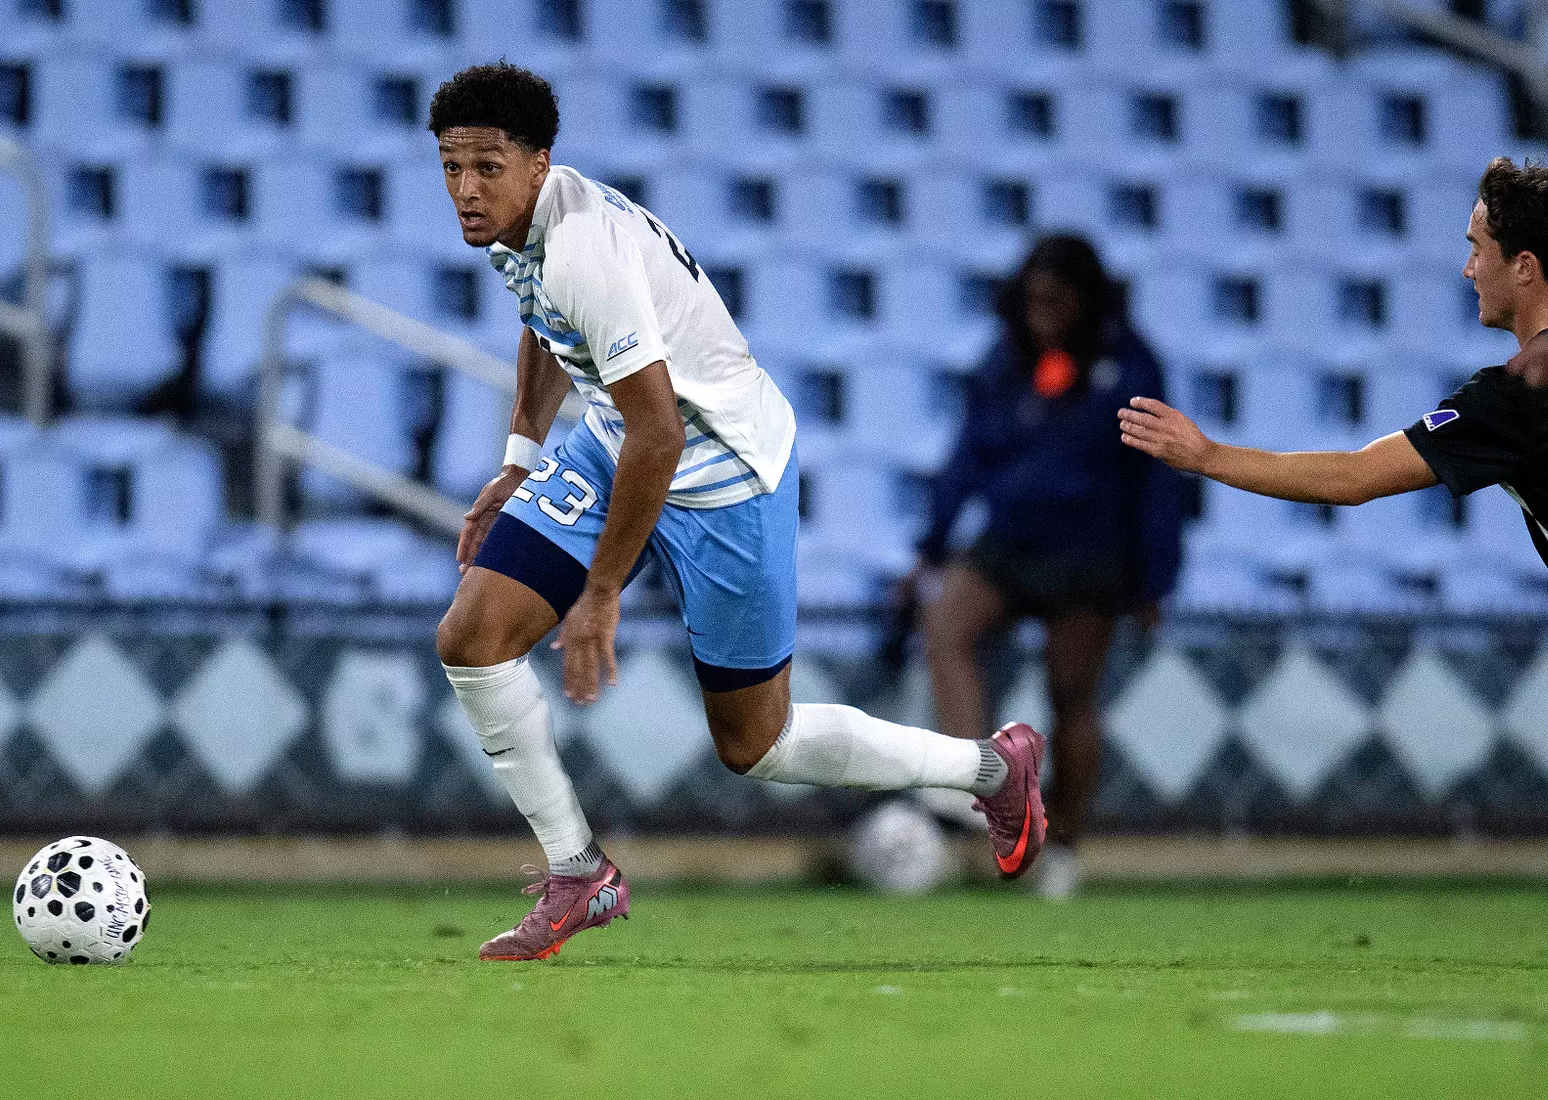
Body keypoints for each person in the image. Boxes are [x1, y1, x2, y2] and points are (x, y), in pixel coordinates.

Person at [428, 63, 1048, 962]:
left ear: (539, 163)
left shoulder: (583, 249)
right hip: (616, 442)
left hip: (724, 469)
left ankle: (990, 768)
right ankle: (578, 872)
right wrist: (518, 463)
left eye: (486, 167)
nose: (466, 189)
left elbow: (661, 434)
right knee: (472, 636)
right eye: (452, 167)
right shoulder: (526, 229)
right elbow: (544, 320)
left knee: (758, 744)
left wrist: (601, 592)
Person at [912, 234, 1185, 900]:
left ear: (1087, 301)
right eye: (1034, 300)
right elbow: (968, 453)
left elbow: (1157, 477)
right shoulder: (1004, 360)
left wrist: (1156, 576)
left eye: (1057, 301)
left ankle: (1061, 845)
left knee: (1072, 695)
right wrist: (932, 544)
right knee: (947, 625)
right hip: (1010, 539)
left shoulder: (1132, 365)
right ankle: (972, 786)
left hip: (1091, 552)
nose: (1043, 315)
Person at [1119, 157, 1548, 571]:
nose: (1468, 270)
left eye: (1477, 250)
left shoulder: (1516, 397)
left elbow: (1354, 477)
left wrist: (1207, 456)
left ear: (1524, 267)